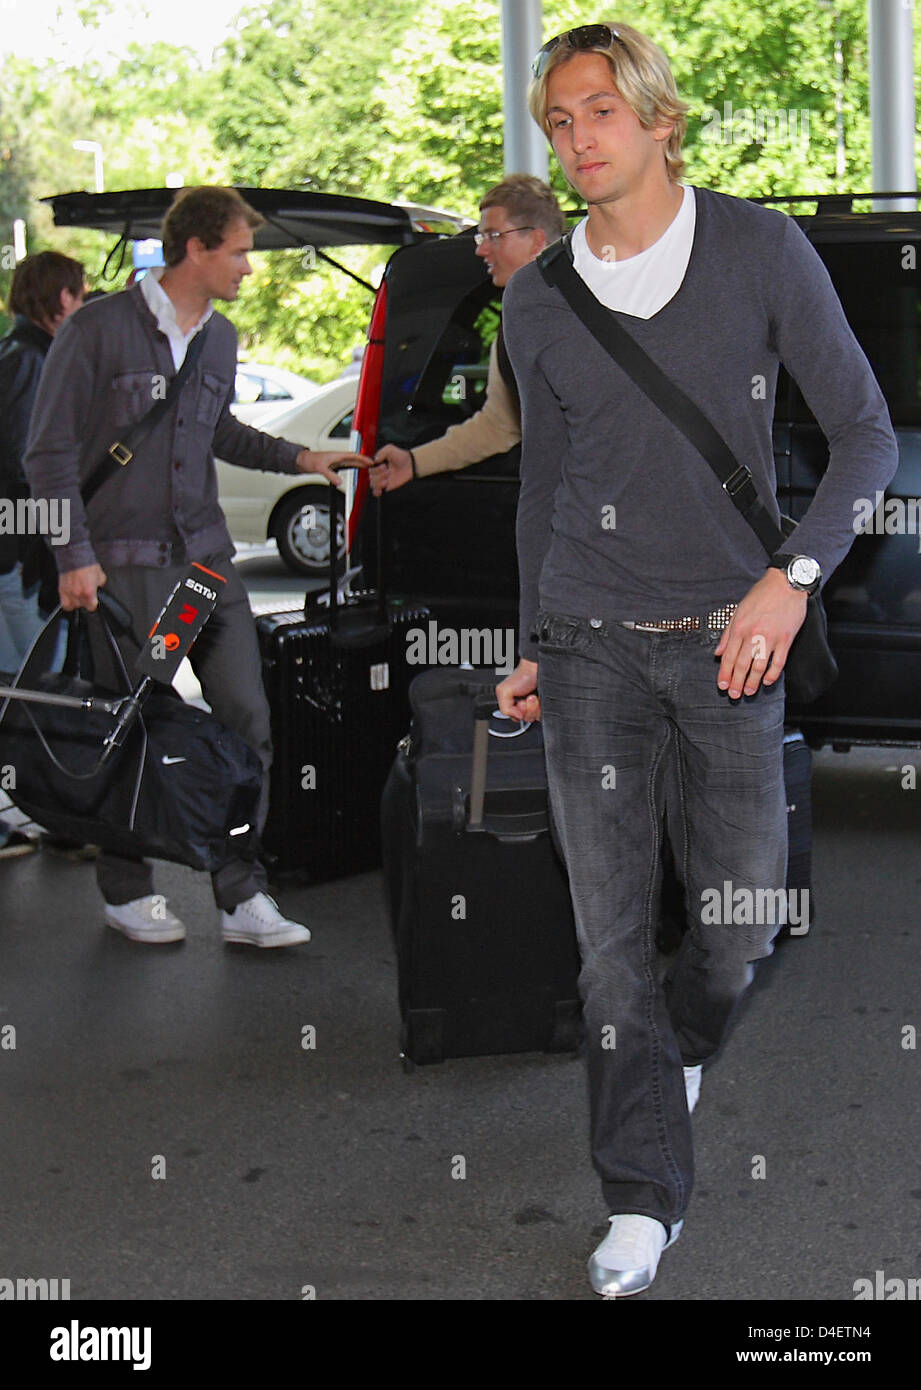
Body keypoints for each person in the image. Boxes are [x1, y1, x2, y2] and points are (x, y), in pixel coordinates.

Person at [496, 22, 899, 1297]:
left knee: (735, 927)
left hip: (733, 645)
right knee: (608, 943)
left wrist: (790, 582)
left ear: (663, 120)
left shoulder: (758, 250)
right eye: (558, 122)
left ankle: (675, 1045)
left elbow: (866, 437)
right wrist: (531, 644)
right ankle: (640, 1195)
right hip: (593, 645)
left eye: (600, 112)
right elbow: (544, 488)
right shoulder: (537, 295)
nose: (576, 140)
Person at [24, 186, 371, 948]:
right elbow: (46, 455)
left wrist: (303, 457)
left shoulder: (220, 338)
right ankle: (125, 891)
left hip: (203, 570)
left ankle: (241, 892)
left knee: (247, 719)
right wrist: (72, 557)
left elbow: (224, 432)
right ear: (197, 249)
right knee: (131, 728)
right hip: (124, 570)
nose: (249, 267)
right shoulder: (97, 329)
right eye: (241, 251)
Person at [369, 175, 566, 495]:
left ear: (536, 241)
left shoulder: (593, 311)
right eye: (481, 237)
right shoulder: (511, 331)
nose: (481, 250)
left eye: (493, 236)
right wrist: (414, 462)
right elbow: (498, 426)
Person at [0, 252, 86, 857]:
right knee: (37, 689)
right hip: (21, 559)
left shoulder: (14, 354)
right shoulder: (34, 364)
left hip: (9, 552)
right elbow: (35, 469)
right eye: (79, 296)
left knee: (17, 689)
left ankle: (40, 810)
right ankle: (57, 812)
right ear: (60, 300)